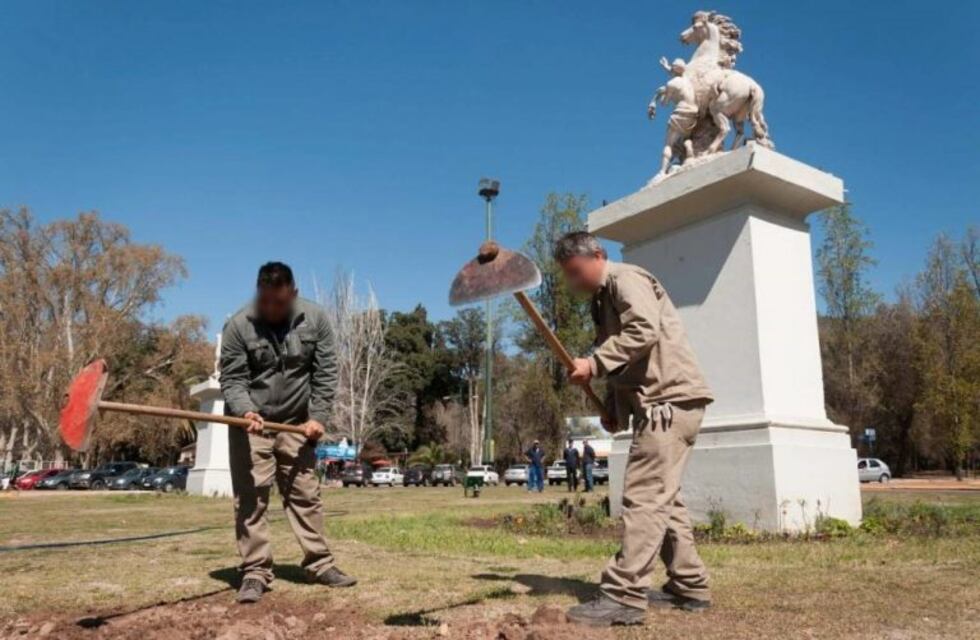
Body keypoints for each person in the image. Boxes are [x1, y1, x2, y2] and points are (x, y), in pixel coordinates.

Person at [553, 232, 714, 627]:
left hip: (668, 404)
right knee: (664, 499)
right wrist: (612, 408)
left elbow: (643, 331)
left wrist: (592, 364)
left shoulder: (627, 279)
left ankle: (623, 595)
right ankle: (689, 584)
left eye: (576, 271)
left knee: (643, 497)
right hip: (660, 405)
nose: (574, 282)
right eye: (567, 276)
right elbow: (626, 361)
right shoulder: (601, 300)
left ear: (598, 255)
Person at [220, 261, 357, 604]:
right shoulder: (239, 325)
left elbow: (325, 374)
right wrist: (244, 410)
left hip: (297, 422)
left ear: (293, 295)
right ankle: (254, 571)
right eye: (265, 302)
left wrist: (318, 417)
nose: (272, 310)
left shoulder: (317, 320)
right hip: (250, 422)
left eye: (279, 303)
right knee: (252, 497)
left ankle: (320, 564)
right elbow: (232, 380)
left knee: (304, 493)